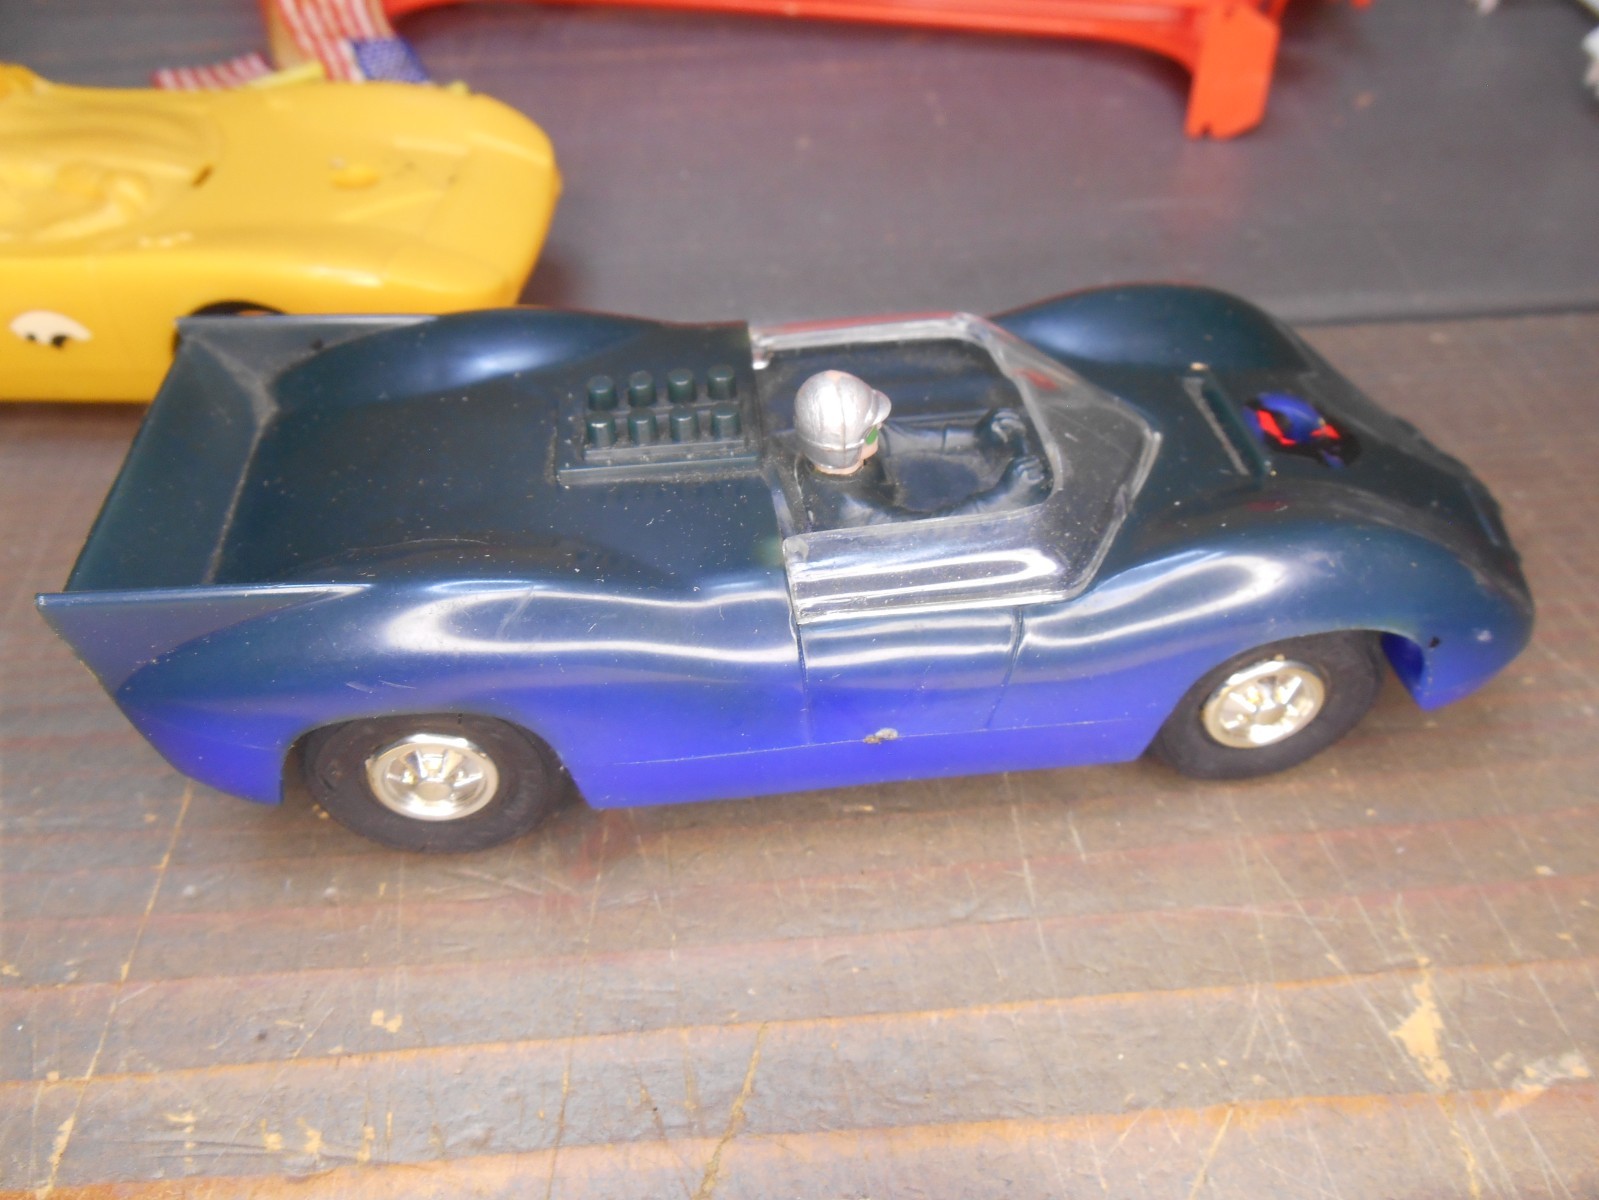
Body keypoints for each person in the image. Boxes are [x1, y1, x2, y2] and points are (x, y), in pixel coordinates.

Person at [792, 369, 1050, 529]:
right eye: (871, 429)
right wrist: (1004, 498)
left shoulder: (847, 457)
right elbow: (928, 531)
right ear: (847, 446)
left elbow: (900, 439)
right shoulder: (854, 511)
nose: (880, 426)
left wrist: (974, 436)